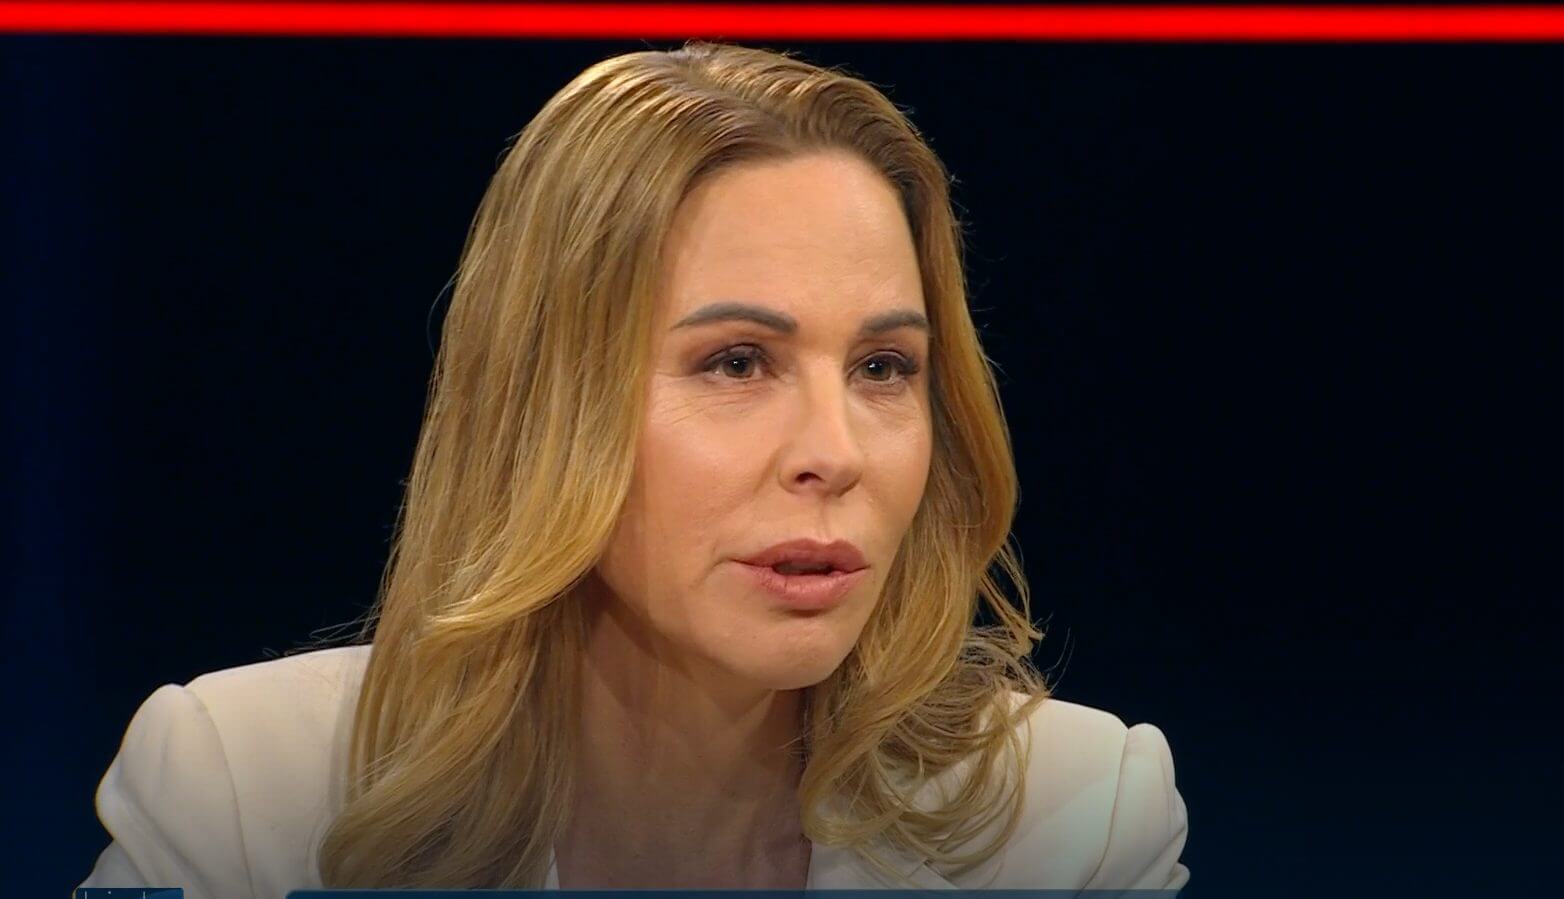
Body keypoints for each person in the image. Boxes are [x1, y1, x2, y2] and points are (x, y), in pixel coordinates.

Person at [78, 41, 1189, 897]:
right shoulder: (242, 793)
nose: (835, 453)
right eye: (737, 361)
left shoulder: (1077, 818)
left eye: (883, 366)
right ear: (543, 400)